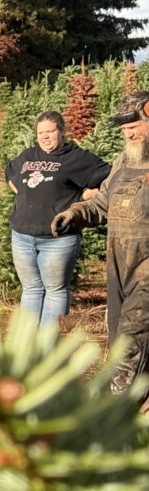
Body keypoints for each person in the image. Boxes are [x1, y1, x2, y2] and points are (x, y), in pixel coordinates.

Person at [53, 91, 149, 404]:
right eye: (124, 130)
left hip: (146, 275)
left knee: (133, 341)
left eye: (134, 126)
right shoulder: (124, 162)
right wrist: (76, 213)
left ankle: (113, 414)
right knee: (120, 337)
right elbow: (103, 203)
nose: (129, 134)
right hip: (119, 269)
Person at [5, 111, 109, 326]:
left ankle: (48, 347)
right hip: (22, 237)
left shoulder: (76, 157)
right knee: (31, 289)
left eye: (50, 131)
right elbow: (10, 173)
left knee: (55, 290)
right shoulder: (29, 155)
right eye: (40, 132)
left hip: (58, 240)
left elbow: (109, 179)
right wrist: (22, 193)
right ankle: (27, 346)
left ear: (61, 131)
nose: (45, 136)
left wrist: (82, 197)